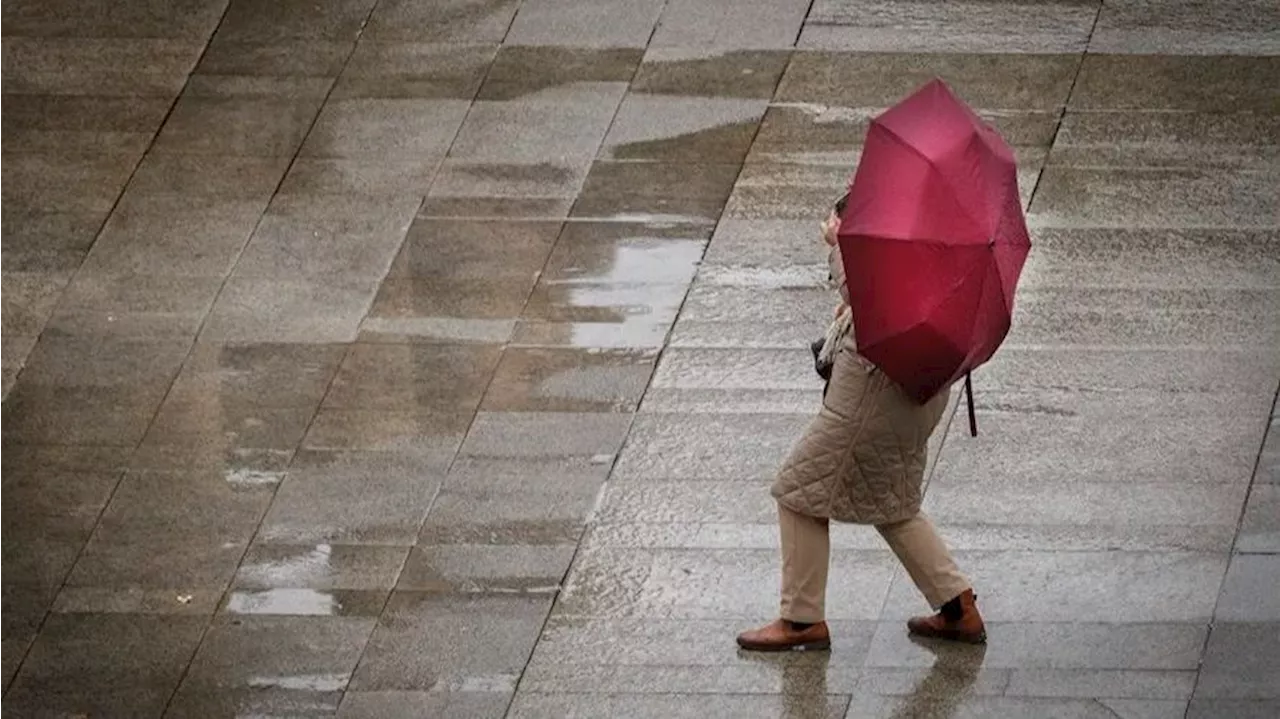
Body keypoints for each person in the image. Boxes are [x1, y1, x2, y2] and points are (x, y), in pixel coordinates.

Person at [736, 198, 986, 652]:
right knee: (892, 501)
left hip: (876, 396)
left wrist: (839, 245)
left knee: (798, 491)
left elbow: (876, 298)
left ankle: (800, 620)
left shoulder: (904, 234)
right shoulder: (948, 240)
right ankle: (957, 606)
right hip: (911, 393)